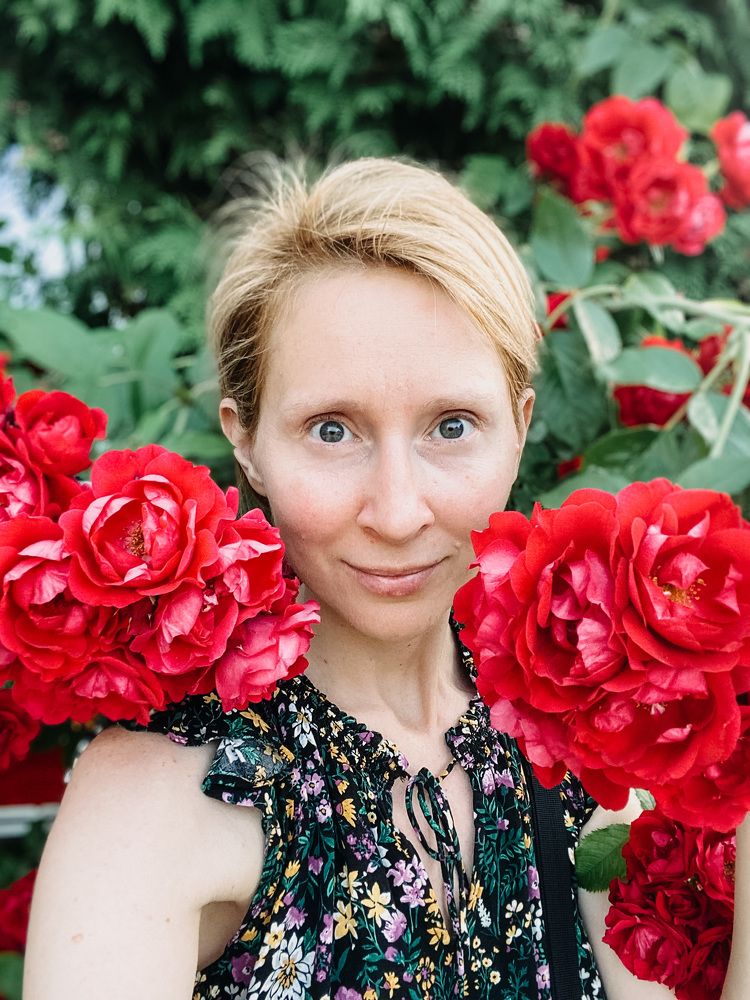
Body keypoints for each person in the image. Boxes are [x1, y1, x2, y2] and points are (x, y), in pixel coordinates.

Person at [23, 158, 749, 1000]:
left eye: (452, 425)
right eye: (332, 430)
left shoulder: (582, 746)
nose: (399, 513)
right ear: (246, 440)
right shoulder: (156, 796)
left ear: (519, 428)